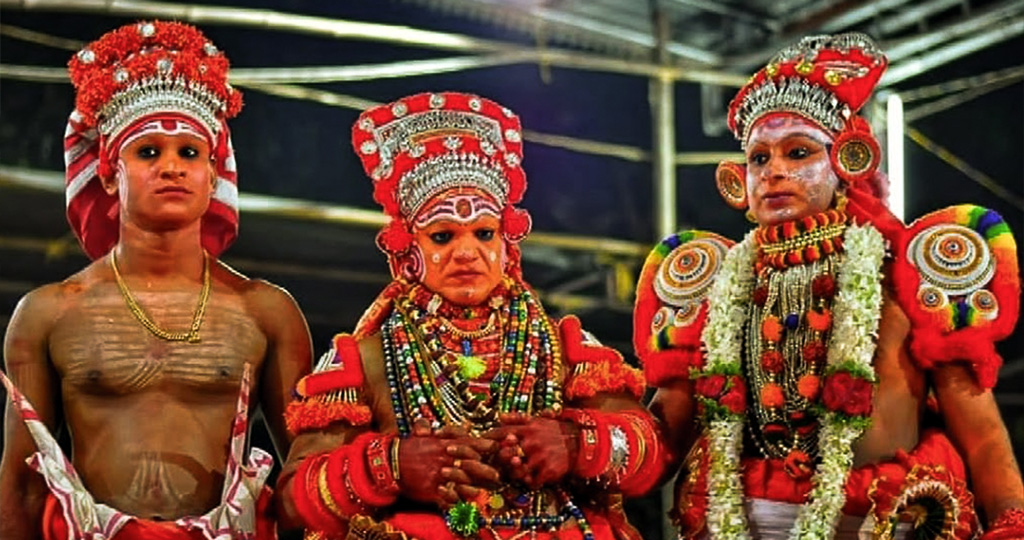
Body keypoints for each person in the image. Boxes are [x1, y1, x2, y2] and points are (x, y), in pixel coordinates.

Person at [633, 32, 1023, 539]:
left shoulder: (904, 272)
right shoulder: (713, 285)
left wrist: (1012, 524)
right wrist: (588, 443)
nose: (774, 172)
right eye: (758, 159)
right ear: (739, 182)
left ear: (846, 164)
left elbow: (984, 438)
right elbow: (663, 439)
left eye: (797, 153)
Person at [276, 91, 666, 539]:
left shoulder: (565, 347)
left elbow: (653, 455)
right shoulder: (363, 361)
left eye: (484, 233)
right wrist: (392, 466)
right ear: (408, 248)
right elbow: (291, 503)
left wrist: (578, 444)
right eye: (442, 236)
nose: (466, 252)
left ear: (506, 243)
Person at [0, 21, 313, 539]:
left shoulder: (267, 310)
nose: (172, 167)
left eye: (189, 153)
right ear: (108, 174)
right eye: (148, 152)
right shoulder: (49, 312)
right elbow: (21, 482)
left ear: (213, 175)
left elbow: (303, 481)